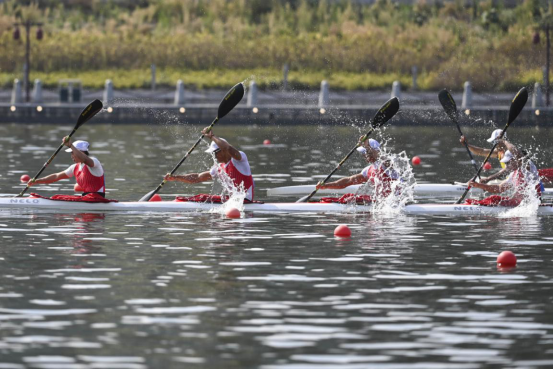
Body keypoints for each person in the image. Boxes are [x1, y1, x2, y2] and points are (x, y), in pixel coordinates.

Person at [165, 128, 255, 202]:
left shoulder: (240, 159)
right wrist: (175, 177)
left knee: (202, 198)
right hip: (234, 201)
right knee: (202, 198)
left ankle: (180, 202)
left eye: (214, 153)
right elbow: (198, 177)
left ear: (221, 151)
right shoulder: (219, 168)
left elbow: (227, 148)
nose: (214, 156)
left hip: (245, 200)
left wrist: (212, 136)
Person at [316, 137, 399, 198]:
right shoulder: (368, 171)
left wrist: (367, 146)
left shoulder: (386, 164)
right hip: (383, 203)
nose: (365, 155)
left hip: (397, 201)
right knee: (350, 198)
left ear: (376, 150)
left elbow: (383, 157)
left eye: (366, 151)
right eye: (364, 153)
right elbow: (348, 181)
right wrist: (326, 186)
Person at [28, 138, 107, 197]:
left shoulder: (94, 162)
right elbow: (56, 176)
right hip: (86, 198)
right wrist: (37, 181)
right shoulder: (74, 167)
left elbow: (85, 159)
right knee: (58, 197)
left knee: (58, 198)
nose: (72, 156)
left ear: (81, 152)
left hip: (97, 199)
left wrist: (71, 145)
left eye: (72, 153)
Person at [466, 150, 544, 207]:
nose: (506, 166)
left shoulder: (527, 166)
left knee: (495, 200)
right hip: (518, 203)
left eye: (507, 163)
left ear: (516, 160)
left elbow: (517, 154)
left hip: (531, 205)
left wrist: (503, 140)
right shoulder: (514, 174)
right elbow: (499, 188)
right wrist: (479, 185)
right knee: (494, 198)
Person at [461, 129, 526, 183]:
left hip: (516, 181)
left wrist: (488, 179)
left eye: (494, 142)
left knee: (487, 182)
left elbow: (506, 170)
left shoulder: (511, 153)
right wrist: (467, 145)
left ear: (500, 141)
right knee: (476, 179)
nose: (493, 144)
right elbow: (481, 151)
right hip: (508, 180)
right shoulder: (498, 152)